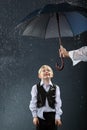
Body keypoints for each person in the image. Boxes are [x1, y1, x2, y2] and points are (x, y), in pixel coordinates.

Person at [29, 65, 63, 130]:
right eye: (43, 71)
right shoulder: (35, 87)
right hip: (40, 117)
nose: (46, 71)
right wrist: (35, 116)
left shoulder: (56, 88)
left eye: (48, 70)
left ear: (52, 74)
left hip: (52, 117)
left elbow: (58, 103)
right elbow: (33, 102)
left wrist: (58, 117)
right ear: (39, 76)